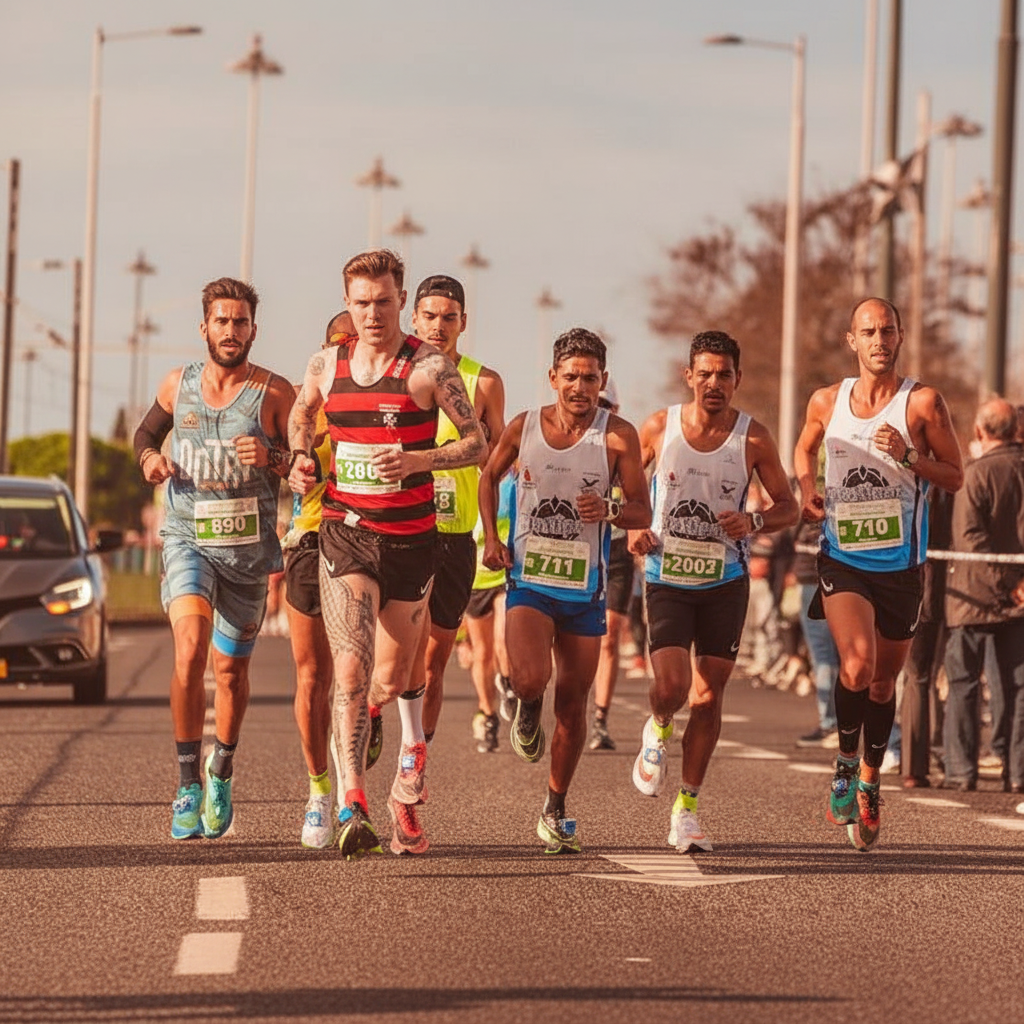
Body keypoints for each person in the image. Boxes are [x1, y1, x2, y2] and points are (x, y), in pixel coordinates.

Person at [287, 249, 485, 859]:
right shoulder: (326, 363)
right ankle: (354, 803)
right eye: (361, 303)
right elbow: (301, 412)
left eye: (382, 301)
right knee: (348, 670)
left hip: (412, 541)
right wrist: (301, 457)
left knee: (394, 678)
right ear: (347, 304)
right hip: (347, 533)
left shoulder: (428, 368)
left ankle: (382, 727)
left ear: (401, 300)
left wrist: (418, 460)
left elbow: (476, 442)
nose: (372, 314)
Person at [794, 297, 963, 851]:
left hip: (901, 566)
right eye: (868, 332)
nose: (879, 341)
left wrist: (910, 458)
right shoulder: (827, 400)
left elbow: (955, 476)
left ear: (900, 336)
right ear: (852, 341)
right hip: (843, 558)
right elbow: (803, 449)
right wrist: (807, 489)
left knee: (885, 682)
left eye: (887, 331)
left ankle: (869, 779)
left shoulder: (923, 403)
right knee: (858, 664)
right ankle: (845, 764)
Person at [134, 277, 295, 840]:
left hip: (247, 554)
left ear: (254, 329)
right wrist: (150, 459)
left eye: (240, 322)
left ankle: (220, 768)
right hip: (188, 537)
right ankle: (186, 783)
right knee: (190, 649)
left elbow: (308, 465)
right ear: (204, 327)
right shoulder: (178, 385)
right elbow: (145, 435)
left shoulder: (275, 394)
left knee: (230, 671)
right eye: (222, 321)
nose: (231, 330)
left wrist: (272, 457)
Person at [479, 327, 651, 853]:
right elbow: (488, 478)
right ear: (553, 377)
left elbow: (642, 510)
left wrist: (612, 510)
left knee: (573, 706)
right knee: (531, 677)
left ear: (602, 381)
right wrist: (492, 539)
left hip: (585, 590)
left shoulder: (618, 436)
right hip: (530, 581)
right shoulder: (524, 426)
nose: (580, 387)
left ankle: (555, 808)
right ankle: (527, 703)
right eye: (571, 377)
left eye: (590, 378)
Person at [628, 330, 798, 852]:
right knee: (672, 686)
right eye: (704, 374)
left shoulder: (753, 438)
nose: (714, 383)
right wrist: (633, 527)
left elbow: (788, 507)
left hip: (725, 581)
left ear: (737, 379)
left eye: (724, 374)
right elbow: (620, 484)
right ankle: (658, 725)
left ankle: (686, 808)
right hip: (667, 576)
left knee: (707, 697)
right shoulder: (660, 427)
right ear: (689, 377)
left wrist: (754, 521)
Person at [402, 274, 505, 752]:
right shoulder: (394, 374)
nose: (438, 326)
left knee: (433, 659)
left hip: (454, 536)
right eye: (429, 316)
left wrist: (474, 446)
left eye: (449, 317)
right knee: (390, 655)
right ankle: (377, 715)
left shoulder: (484, 382)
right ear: (413, 319)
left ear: (463, 322)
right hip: (400, 529)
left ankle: (417, 755)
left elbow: (496, 465)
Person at [281, 310, 356, 848]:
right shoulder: (307, 404)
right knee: (313, 676)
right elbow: (282, 456)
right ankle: (319, 790)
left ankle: (356, 792)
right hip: (310, 537)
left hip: (368, 539)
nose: (348, 349)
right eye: (339, 342)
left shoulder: (393, 400)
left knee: (360, 679)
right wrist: (290, 463)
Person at [942, 398, 1024, 793]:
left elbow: (969, 539)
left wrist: (1008, 582)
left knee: (963, 684)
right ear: (1015, 430)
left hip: (971, 596)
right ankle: (1017, 771)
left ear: (980, 431)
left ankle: (962, 770)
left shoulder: (975, 473)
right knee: (1016, 687)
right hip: (1017, 599)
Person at [590, 378, 633, 751]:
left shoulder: (625, 444)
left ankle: (600, 719)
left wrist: (639, 528)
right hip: (578, 548)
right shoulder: (565, 440)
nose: (598, 409)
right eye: (596, 403)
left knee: (610, 637)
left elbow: (644, 496)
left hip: (617, 551)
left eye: (606, 404)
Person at [464, 470, 515, 749]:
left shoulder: (514, 476)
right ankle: (487, 714)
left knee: (503, 639)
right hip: (475, 577)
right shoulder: (466, 475)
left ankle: (508, 684)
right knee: (482, 653)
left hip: (507, 571)